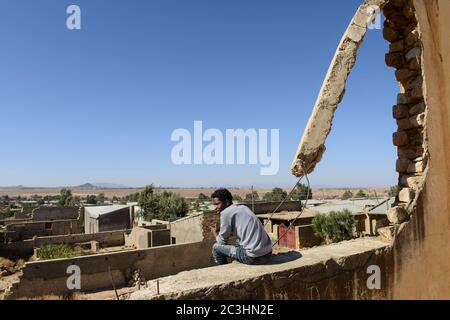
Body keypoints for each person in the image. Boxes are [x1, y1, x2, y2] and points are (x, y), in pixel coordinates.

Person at [210, 188, 272, 265]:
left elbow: (221, 242)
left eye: (217, 204)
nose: (215, 208)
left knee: (216, 248)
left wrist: (214, 232)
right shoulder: (243, 207)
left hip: (254, 258)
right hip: (268, 253)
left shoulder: (225, 213)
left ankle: (225, 272)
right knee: (238, 242)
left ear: (226, 202)